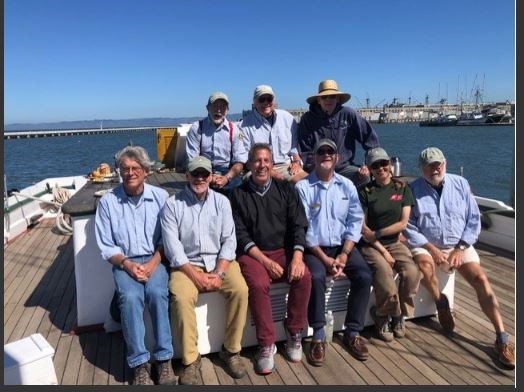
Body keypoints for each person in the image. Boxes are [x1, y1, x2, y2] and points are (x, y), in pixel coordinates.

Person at [404, 147, 515, 369]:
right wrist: (432, 249)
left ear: (445, 163)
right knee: (425, 266)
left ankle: (501, 337)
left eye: (439, 164)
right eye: (430, 165)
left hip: (459, 244)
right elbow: (409, 226)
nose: (436, 168)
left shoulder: (461, 184)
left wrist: (460, 248)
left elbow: (473, 220)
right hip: (427, 244)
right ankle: (440, 302)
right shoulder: (412, 189)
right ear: (421, 168)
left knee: (481, 279)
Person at [160, 156, 249, 384]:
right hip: (186, 265)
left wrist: (219, 273)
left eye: (204, 174)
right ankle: (191, 360)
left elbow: (229, 241)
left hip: (219, 262)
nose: (200, 178)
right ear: (187, 176)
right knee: (180, 297)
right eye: (195, 174)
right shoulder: (172, 205)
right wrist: (195, 275)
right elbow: (173, 248)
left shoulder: (222, 202)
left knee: (240, 289)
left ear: (211, 177)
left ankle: (230, 350)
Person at [94, 146, 175, 385]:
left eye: (135, 168)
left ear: (146, 171)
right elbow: (107, 246)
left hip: (154, 258)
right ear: (119, 172)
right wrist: (128, 265)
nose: (129, 173)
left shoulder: (160, 197)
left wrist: (153, 264)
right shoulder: (108, 202)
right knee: (129, 298)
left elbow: (166, 239)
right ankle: (139, 363)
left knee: (158, 293)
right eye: (125, 169)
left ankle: (164, 360)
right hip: (124, 263)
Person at [230, 143, 311, 375]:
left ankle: (294, 330)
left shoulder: (286, 190)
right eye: (257, 160)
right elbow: (240, 235)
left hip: (282, 251)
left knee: (304, 276)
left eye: (266, 160)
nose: (262, 165)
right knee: (258, 284)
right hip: (253, 254)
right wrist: (265, 262)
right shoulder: (238, 194)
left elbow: (298, 224)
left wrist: (297, 257)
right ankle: (266, 344)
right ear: (249, 164)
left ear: (272, 163)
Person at [295, 139, 373, 366]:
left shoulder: (347, 186)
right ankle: (318, 334)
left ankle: (353, 331)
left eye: (331, 152)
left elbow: (355, 221)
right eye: (322, 152)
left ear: (337, 158)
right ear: (314, 158)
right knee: (316, 276)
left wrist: (344, 254)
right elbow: (304, 227)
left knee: (364, 275)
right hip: (315, 248)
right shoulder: (303, 188)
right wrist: (325, 258)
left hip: (342, 247)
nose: (326, 155)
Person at [358, 147, 420, 342]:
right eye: (375, 165)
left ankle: (400, 314)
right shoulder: (365, 192)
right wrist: (383, 251)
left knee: (412, 272)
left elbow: (403, 223)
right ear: (370, 169)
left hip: (394, 242)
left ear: (390, 165)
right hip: (371, 246)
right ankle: (382, 315)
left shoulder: (402, 188)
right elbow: (364, 231)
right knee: (384, 272)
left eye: (383, 163)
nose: (381, 168)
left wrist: (380, 233)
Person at [297, 79, 380, 188]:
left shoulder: (349, 114)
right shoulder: (307, 119)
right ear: (318, 100)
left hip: (344, 167)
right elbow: (304, 149)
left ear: (338, 99)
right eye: (324, 97)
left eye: (332, 96)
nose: (328, 99)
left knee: (364, 177)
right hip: (318, 167)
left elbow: (370, 140)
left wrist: (368, 164)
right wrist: (317, 167)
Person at [238, 85, 307, 182]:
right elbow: (245, 157)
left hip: (285, 166)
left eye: (269, 99)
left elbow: (294, 147)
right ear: (254, 102)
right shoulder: (243, 125)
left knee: (308, 183)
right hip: (258, 167)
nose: (266, 102)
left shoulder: (288, 118)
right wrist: (270, 171)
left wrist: (296, 161)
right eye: (262, 99)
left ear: (274, 101)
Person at [185, 91, 247, 191]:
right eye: (215, 106)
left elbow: (239, 162)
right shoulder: (197, 128)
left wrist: (226, 178)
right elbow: (193, 159)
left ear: (227, 110)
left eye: (222, 107)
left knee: (238, 193)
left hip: (228, 171)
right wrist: (209, 176)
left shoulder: (234, 130)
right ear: (207, 108)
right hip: (202, 169)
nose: (218, 110)